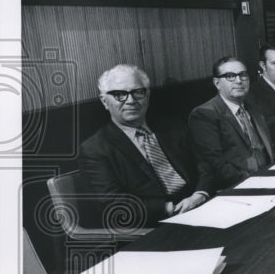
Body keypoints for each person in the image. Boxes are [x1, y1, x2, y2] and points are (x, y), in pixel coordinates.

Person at [79, 64, 211, 226]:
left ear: (147, 95)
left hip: (201, 206)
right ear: (104, 101)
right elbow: (112, 204)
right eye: (119, 94)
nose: (131, 100)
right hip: (154, 224)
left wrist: (200, 193)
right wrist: (169, 208)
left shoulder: (172, 126)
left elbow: (203, 164)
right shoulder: (95, 149)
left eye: (137, 92)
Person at [188, 56, 274, 190]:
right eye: (230, 76)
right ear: (217, 83)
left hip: (270, 177)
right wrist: (255, 182)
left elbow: (267, 149)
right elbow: (217, 165)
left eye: (243, 75)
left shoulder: (253, 107)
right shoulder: (203, 114)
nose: (239, 81)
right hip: (238, 187)